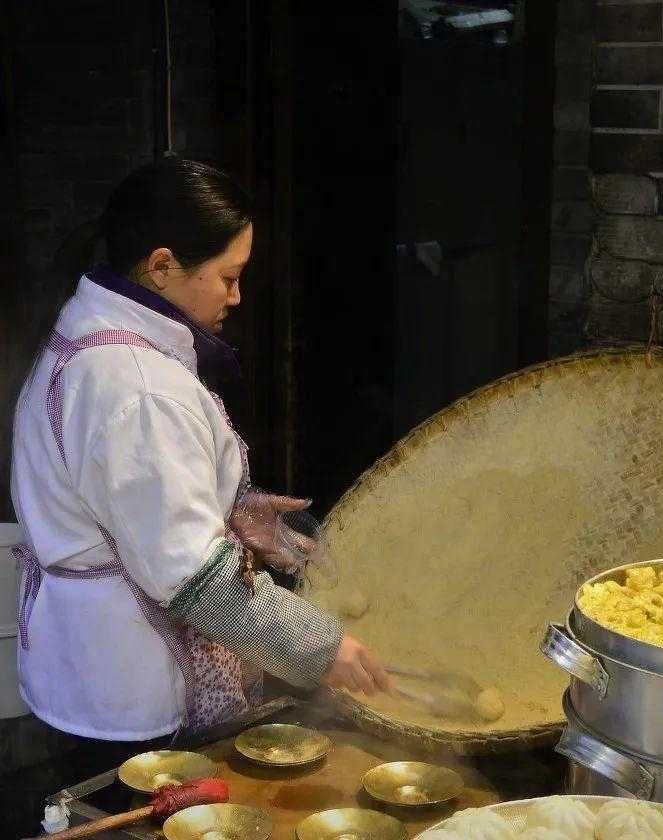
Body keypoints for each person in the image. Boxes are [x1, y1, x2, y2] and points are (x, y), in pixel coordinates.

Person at [10, 158, 390, 764]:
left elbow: (120, 495)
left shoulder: (92, 331)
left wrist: (229, 507)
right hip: (133, 692)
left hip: (86, 667)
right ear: (162, 266)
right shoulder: (136, 386)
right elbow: (197, 585)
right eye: (228, 276)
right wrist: (322, 649)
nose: (236, 296)